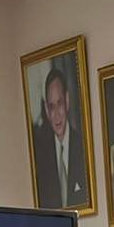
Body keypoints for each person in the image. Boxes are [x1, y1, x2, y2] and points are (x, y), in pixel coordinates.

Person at [33, 62, 89, 210]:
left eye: (60, 104)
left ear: (67, 101)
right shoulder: (40, 157)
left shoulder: (83, 148)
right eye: (51, 107)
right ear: (46, 109)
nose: (56, 114)